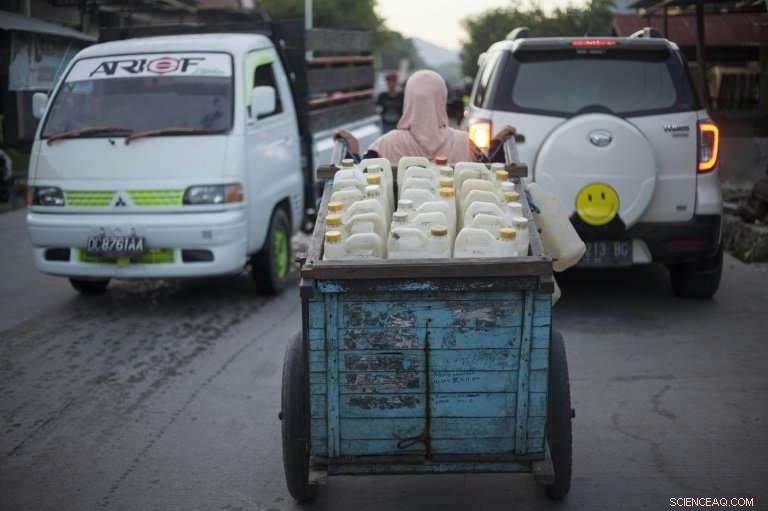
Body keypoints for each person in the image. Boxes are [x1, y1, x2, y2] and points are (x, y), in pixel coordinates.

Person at [338, 70, 515, 164]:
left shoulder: (385, 145)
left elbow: (360, 176)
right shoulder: (465, 143)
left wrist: (352, 148)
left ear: (408, 99)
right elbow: (489, 171)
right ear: (442, 99)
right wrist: (498, 142)